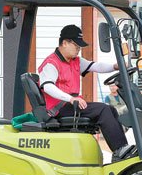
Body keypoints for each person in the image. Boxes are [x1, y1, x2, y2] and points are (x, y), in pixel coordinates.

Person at [38, 24, 135, 162]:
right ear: (64, 43)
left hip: (72, 104)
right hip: (59, 108)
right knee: (103, 110)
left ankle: (122, 149)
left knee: (111, 110)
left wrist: (115, 66)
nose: (78, 49)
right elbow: (47, 87)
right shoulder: (51, 63)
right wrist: (71, 99)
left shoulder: (74, 61)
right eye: (76, 45)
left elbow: (96, 66)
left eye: (79, 46)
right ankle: (120, 150)